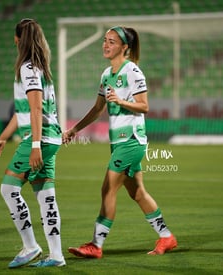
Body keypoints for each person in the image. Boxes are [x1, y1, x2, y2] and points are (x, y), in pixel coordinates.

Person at [63, 26, 177, 258]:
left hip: (132, 141)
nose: (106, 45)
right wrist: (75, 129)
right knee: (138, 193)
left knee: (108, 188)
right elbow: (97, 109)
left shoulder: (133, 71)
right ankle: (166, 237)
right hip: (118, 142)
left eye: (112, 41)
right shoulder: (106, 75)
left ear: (124, 47)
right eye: (105, 40)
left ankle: (96, 245)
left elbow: (144, 106)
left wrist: (122, 101)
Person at [0, 18, 65, 268]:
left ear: (17, 39)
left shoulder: (28, 68)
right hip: (52, 137)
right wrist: (3, 137)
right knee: (46, 195)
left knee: (9, 189)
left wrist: (34, 145)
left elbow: (35, 109)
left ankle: (31, 247)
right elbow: (22, 112)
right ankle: (56, 256)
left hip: (39, 138)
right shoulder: (41, 67)